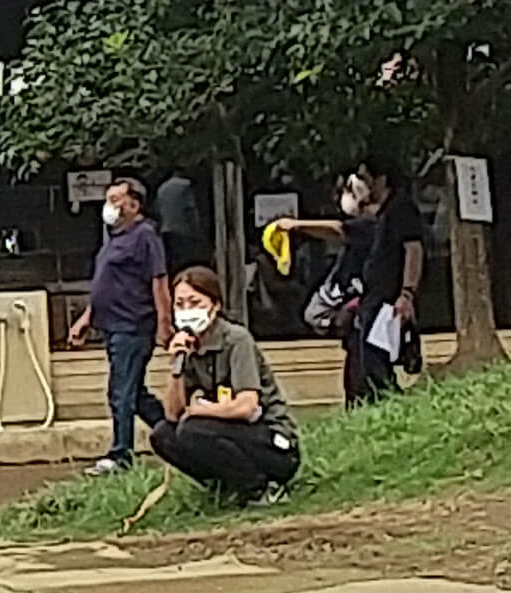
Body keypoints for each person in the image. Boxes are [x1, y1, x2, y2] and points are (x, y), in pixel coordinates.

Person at [149, 266, 299, 506]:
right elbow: (172, 413)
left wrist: (199, 411)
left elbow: (247, 406)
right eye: (180, 304)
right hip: (227, 432)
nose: (187, 311)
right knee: (163, 434)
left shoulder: (236, 340)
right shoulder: (189, 346)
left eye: (195, 302)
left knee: (194, 429)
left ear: (215, 305)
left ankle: (260, 488)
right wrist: (175, 368)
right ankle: (224, 484)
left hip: (271, 441)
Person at [69, 177, 171, 476]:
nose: (109, 206)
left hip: (134, 325)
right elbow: (106, 284)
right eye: (108, 199)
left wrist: (164, 324)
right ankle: (176, 435)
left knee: (121, 392)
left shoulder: (145, 236)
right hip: (111, 325)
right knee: (134, 393)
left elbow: (159, 280)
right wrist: (87, 318)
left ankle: (120, 455)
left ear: (134, 204)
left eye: (116, 199)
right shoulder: (113, 238)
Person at [275, 174, 381, 404]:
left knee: (363, 365)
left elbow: (336, 229)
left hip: (361, 300)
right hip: (349, 299)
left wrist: (296, 225)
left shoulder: (370, 223)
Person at [348, 154, 424, 402]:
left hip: (388, 301)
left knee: (376, 365)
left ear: (380, 180)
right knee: (366, 363)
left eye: (364, 177)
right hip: (373, 297)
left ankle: (388, 407)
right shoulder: (381, 213)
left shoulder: (401, 208)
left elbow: (413, 249)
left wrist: (406, 293)